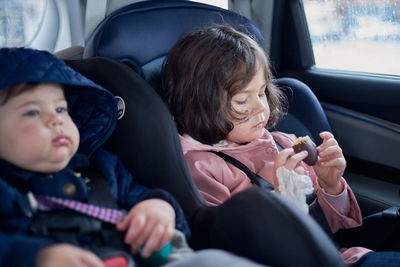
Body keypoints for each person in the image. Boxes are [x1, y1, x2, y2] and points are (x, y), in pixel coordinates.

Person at [0, 47, 267, 267]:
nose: (56, 121)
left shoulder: (102, 168)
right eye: (32, 113)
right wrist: (37, 257)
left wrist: (158, 208)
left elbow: (146, 197)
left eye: (61, 108)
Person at [160, 25, 400, 266]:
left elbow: (331, 228)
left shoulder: (283, 142)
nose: (261, 108)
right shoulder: (200, 168)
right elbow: (224, 252)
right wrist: (281, 202)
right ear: (200, 103)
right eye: (242, 100)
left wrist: (330, 185)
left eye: (262, 92)